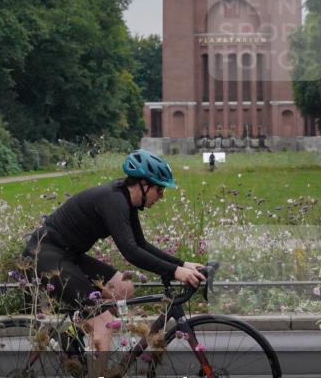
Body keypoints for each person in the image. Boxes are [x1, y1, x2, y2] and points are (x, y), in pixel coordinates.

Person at [22, 149, 205, 352]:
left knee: (123, 287)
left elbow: (140, 244)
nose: (161, 196)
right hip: (44, 257)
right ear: (144, 185)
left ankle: (74, 335)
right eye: (160, 189)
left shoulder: (127, 200)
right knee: (105, 325)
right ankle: (98, 369)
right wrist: (175, 271)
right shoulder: (113, 200)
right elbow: (131, 251)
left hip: (68, 255)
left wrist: (182, 264)